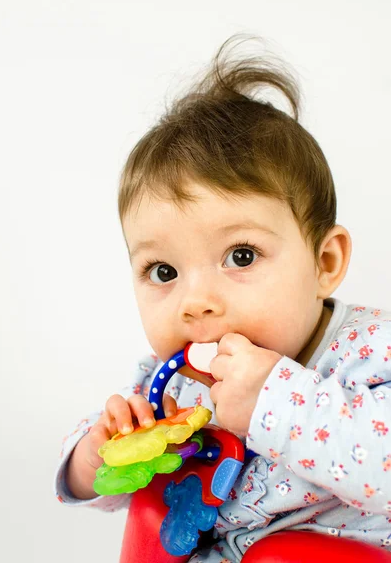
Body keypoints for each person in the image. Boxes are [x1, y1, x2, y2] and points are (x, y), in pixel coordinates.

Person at [54, 37, 391, 560]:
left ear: (325, 264)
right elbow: (91, 484)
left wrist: (276, 404)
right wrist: (98, 451)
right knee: (149, 517)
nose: (196, 302)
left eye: (240, 256)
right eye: (163, 270)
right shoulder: (172, 385)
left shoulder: (371, 353)